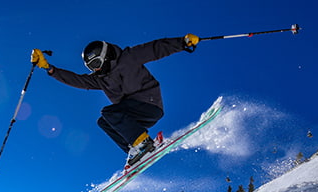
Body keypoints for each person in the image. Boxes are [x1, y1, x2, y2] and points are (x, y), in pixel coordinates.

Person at [31, 34, 200, 166]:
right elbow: (78, 80)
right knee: (103, 121)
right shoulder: (100, 78)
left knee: (109, 111)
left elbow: (155, 48)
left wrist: (182, 42)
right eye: (91, 67)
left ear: (104, 55)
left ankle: (143, 144)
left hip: (149, 103)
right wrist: (50, 69)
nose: (96, 68)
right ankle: (136, 152)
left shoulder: (128, 57)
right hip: (133, 115)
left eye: (97, 62)